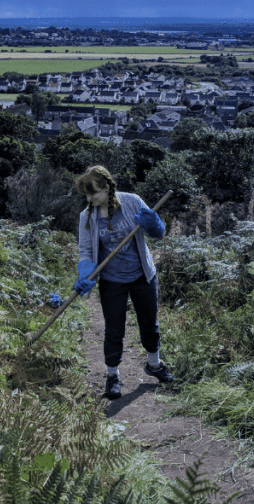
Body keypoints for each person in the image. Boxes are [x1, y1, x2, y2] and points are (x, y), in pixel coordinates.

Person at [73, 165, 175, 399]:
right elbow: (86, 250)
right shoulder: (87, 216)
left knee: (149, 323)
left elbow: (158, 233)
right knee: (114, 329)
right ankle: (112, 377)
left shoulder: (132, 202)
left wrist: (153, 224)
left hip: (142, 275)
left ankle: (154, 365)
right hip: (112, 280)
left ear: (107, 187)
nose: (89, 199)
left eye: (94, 193)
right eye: (86, 195)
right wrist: (86, 272)